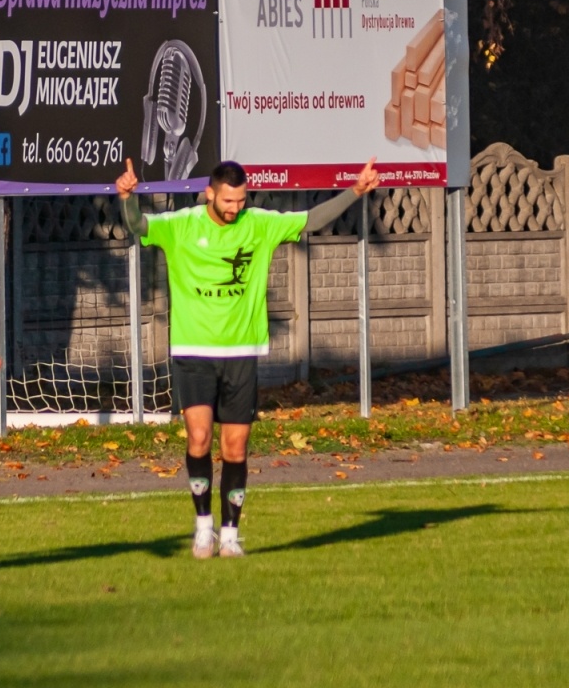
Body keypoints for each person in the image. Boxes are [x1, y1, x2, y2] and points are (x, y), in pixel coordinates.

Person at [116, 157, 379, 558]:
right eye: (228, 200)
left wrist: (355, 191)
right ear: (209, 193)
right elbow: (139, 227)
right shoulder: (182, 225)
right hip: (193, 351)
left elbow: (310, 220)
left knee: (235, 448)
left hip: (241, 352)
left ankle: (230, 534)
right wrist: (127, 199)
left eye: (241, 200)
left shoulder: (258, 223)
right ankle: (203, 527)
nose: (235, 207)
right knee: (199, 438)